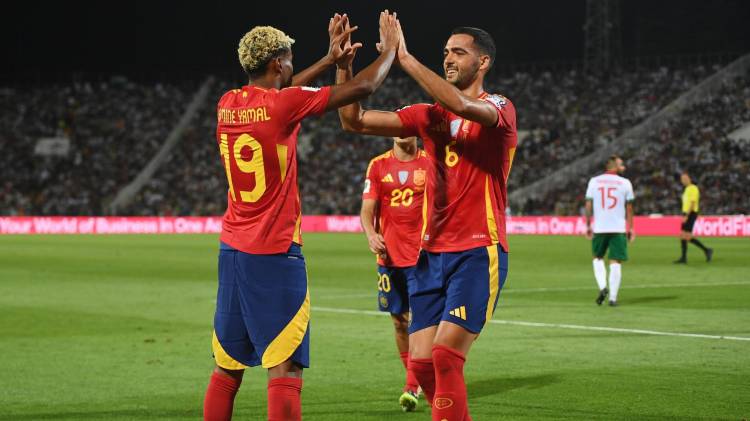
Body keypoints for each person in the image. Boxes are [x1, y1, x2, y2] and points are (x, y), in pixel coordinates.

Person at [203, 12, 401, 421]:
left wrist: (329, 61)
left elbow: (283, 91)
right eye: (289, 59)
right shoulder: (284, 104)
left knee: (228, 367)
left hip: (232, 251)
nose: (293, 65)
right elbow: (363, 87)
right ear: (278, 64)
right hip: (274, 253)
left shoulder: (228, 103)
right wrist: (392, 51)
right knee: (286, 367)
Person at [337, 20, 516, 421]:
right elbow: (354, 121)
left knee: (446, 356)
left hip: (476, 251)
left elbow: (463, 106)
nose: (448, 58)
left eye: (459, 52)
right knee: (421, 366)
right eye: (446, 52)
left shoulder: (500, 107)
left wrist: (404, 58)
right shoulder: (427, 115)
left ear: (483, 62)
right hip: (430, 254)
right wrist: (344, 68)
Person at [360, 136, 429, 411]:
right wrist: (370, 234)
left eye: (408, 127)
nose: (403, 132)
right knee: (399, 322)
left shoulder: (430, 162)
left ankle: (412, 385)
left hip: (422, 258)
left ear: (416, 132)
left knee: (420, 322)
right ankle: (416, 378)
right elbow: (367, 209)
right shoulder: (377, 165)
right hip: (388, 257)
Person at [584, 155, 635, 307]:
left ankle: (602, 287)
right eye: (621, 164)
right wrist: (631, 227)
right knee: (615, 261)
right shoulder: (625, 183)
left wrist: (588, 224)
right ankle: (613, 298)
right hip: (618, 228)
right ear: (615, 166)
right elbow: (629, 208)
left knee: (597, 258)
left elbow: (588, 205)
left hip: (600, 227)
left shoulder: (594, 181)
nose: (624, 167)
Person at [674, 171, 713, 264]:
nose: (683, 180)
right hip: (686, 213)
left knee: (687, 236)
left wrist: (686, 215)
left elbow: (692, 203)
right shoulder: (687, 189)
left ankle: (707, 250)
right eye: (682, 179)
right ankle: (684, 258)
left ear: (690, 178)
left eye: (685, 178)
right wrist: (684, 214)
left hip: (691, 213)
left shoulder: (693, 188)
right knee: (682, 235)